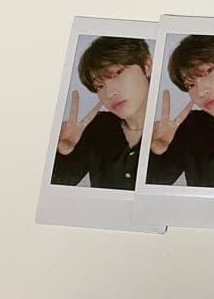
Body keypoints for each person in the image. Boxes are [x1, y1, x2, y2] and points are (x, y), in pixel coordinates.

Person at [51, 36, 153, 190]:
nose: (110, 93)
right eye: (99, 86)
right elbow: (48, 193)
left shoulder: (183, 130)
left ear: (146, 66)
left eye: (117, 73)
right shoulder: (97, 129)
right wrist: (61, 152)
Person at [145, 35, 214, 188]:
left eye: (208, 71)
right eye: (190, 85)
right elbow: (149, 189)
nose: (201, 92)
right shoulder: (191, 128)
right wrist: (155, 151)